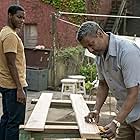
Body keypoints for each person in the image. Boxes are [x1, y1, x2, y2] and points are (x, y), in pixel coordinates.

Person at [76, 21, 140, 140]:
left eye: (91, 44)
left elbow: (134, 93)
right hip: (126, 113)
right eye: (86, 47)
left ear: (99, 34)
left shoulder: (127, 52)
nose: (90, 50)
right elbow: (103, 85)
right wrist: (96, 109)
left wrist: (116, 123)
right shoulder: (100, 56)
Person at [0, 4, 27, 140]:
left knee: (7, 119)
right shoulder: (10, 36)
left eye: (23, 18)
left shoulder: (4, 32)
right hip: (12, 87)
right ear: (9, 15)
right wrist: (19, 88)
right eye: (19, 17)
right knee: (14, 123)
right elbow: (11, 64)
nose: (22, 20)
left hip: (6, 85)